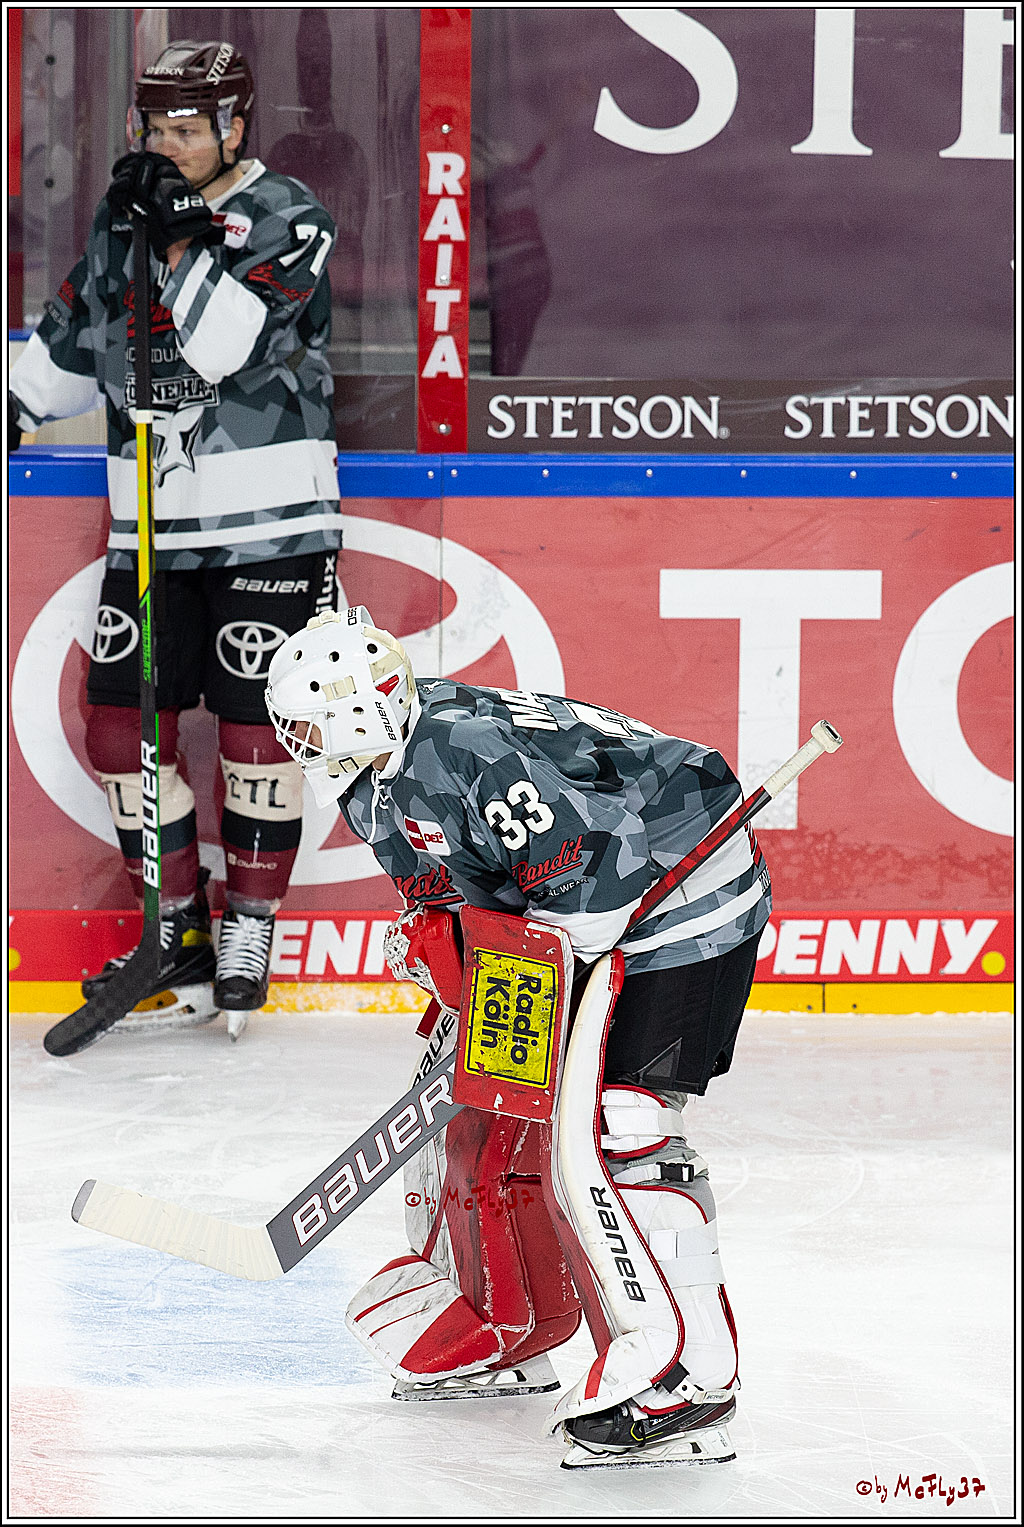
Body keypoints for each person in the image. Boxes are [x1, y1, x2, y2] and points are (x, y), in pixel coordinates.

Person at [263, 606, 772, 1470]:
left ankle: (690, 1376)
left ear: (351, 709)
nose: (300, 741)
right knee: (487, 1119)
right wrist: (449, 955)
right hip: (601, 906)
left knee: (619, 1129)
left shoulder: (465, 749)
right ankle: (509, 1316)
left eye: (308, 723)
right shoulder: (380, 777)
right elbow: (468, 899)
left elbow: (590, 888)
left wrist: (505, 987)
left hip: (681, 898)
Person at [8, 40, 342, 1025]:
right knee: (119, 726)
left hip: (270, 522)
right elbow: (66, 357)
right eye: (154, 127)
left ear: (235, 126)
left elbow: (226, 343)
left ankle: (250, 928)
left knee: (256, 731)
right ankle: (178, 931)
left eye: (188, 128)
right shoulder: (124, 222)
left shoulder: (289, 216)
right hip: (150, 522)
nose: (168, 144)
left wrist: (183, 236)